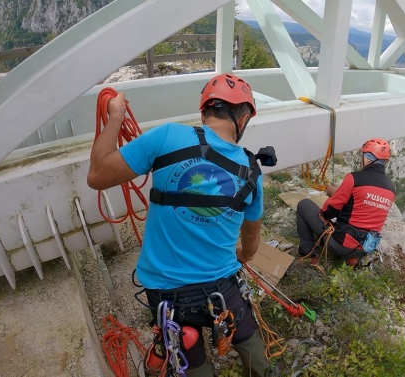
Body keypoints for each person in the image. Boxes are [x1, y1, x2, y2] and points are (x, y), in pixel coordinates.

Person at [87, 73, 272, 377]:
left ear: (204, 112)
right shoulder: (253, 172)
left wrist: (116, 117)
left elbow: (97, 175)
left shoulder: (166, 137)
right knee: (244, 334)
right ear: (244, 116)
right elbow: (251, 243)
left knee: (186, 351)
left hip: (166, 291)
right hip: (222, 286)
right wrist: (242, 254)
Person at [296, 139, 396, 266]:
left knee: (304, 205)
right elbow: (364, 207)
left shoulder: (354, 178)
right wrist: (340, 193)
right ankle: (352, 259)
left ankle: (308, 251)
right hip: (364, 248)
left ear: (368, 159)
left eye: (362, 156)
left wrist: (335, 195)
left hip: (341, 244)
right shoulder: (391, 189)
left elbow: (328, 212)